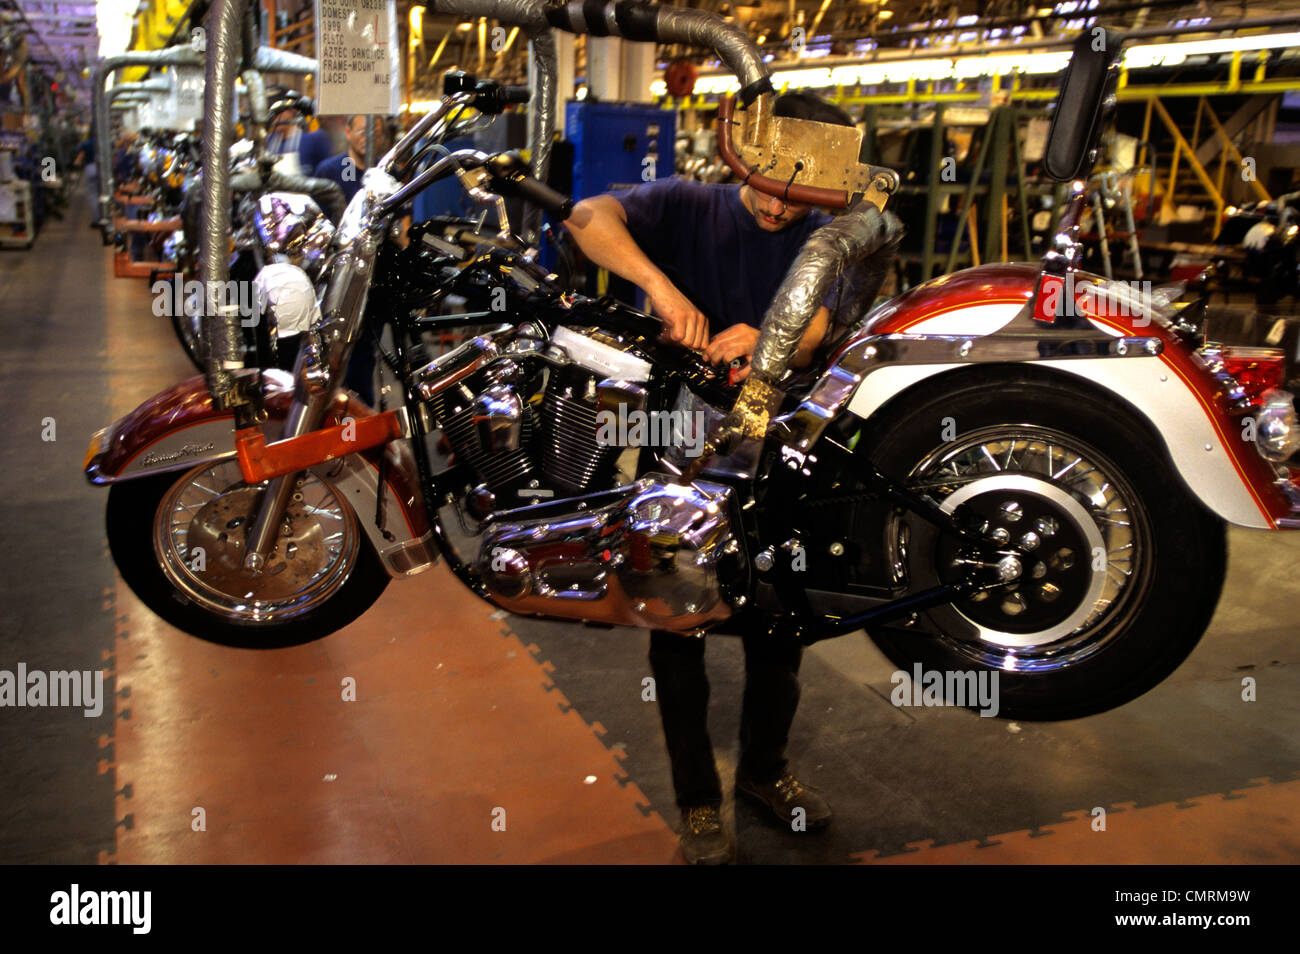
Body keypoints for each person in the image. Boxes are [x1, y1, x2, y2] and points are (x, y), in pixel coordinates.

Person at [563, 91, 853, 864]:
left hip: (778, 454)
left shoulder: (829, 235)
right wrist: (659, 288)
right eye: (764, 183)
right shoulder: (686, 204)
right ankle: (697, 800)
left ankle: (763, 773)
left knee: (777, 626)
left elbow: (826, 319)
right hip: (676, 445)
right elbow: (587, 219)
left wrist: (773, 338)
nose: (775, 205)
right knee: (676, 622)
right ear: (743, 159)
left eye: (796, 195)